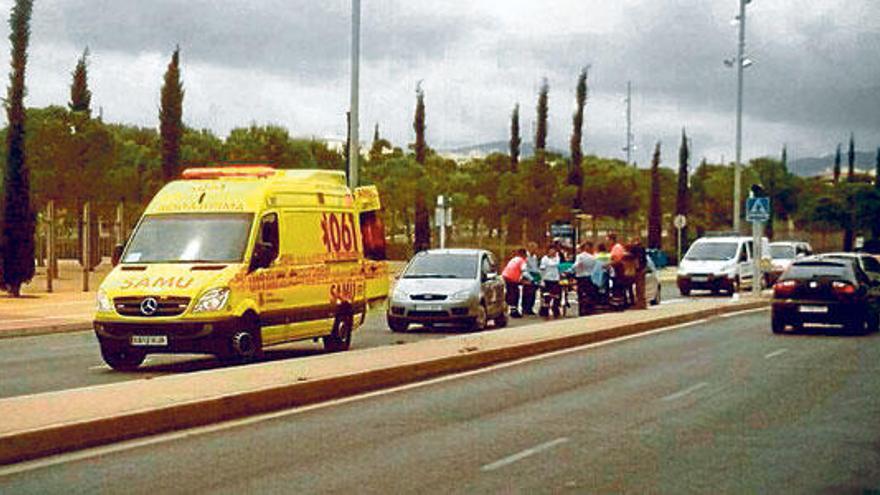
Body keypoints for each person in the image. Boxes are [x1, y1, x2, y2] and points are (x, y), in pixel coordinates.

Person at [573, 241, 597, 316]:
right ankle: (589, 309)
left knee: (581, 294)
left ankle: (582, 309)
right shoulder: (593, 257)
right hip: (590, 277)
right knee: (589, 293)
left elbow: (575, 266)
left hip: (581, 277)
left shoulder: (580, 256)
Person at [501, 249, 527, 318]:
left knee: (509, 292)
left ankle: (507, 308)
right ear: (524, 255)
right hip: (512, 278)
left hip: (506, 276)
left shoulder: (514, 259)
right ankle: (513, 311)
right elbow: (524, 271)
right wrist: (531, 279)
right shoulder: (521, 260)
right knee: (515, 293)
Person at [539, 244, 562, 318]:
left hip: (555, 279)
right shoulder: (544, 259)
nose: (553, 252)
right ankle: (545, 310)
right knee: (546, 296)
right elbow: (542, 269)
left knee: (557, 296)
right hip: (547, 279)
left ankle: (555, 309)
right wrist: (542, 280)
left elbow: (557, 265)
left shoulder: (557, 258)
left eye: (554, 250)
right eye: (551, 250)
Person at [521, 242, 541, 315]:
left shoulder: (534, 257)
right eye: (534, 248)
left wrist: (538, 275)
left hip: (534, 275)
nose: (535, 250)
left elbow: (535, 267)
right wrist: (530, 278)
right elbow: (525, 269)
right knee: (527, 293)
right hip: (527, 275)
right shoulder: (526, 256)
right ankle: (525, 308)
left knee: (533, 293)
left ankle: (530, 308)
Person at [629, 237, 648, 309]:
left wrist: (636, 268)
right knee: (641, 287)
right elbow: (644, 259)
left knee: (639, 288)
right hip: (642, 269)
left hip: (639, 270)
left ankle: (640, 304)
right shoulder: (642, 248)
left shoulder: (635, 248)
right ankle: (642, 303)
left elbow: (635, 258)